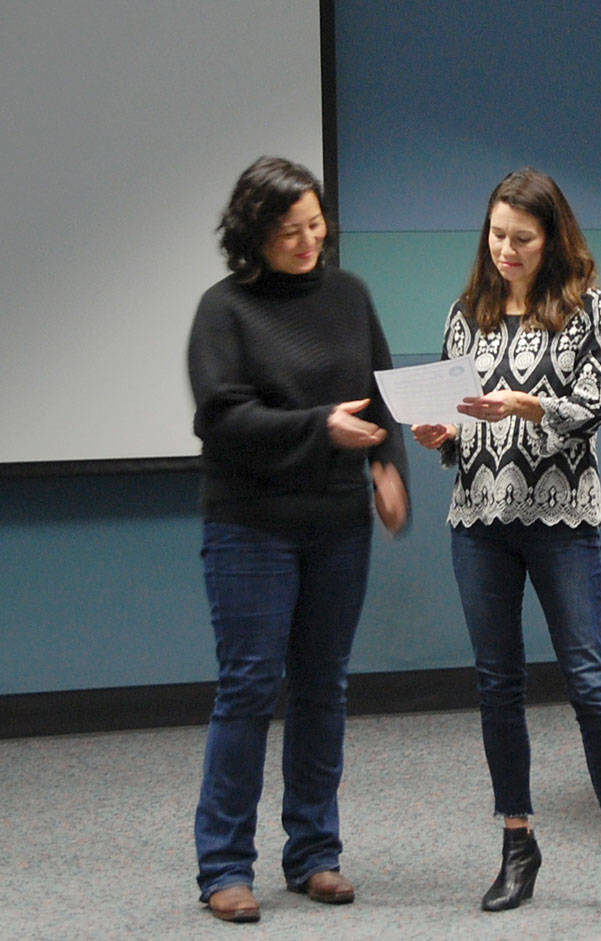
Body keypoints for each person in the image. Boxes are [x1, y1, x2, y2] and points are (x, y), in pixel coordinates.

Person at [411, 168, 601, 920]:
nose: (506, 249)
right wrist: (442, 435)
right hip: (480, 519)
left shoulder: (588, 307)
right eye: (496, 235)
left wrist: (532, 404)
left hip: (561, 520)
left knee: (590, 683)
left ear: (552, 237)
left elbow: (594, 408)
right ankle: (518, 843)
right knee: (498, 684)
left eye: (522, 237)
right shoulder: (468, 313)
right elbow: (458, 419)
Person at [187, 156, 409, 923]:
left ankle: (314, 851)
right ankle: (223, 865)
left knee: (324, 686)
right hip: (250, 524)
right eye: (289, 231)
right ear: (255, 234)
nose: (309, 240)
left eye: (316, 225)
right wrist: (322, 428)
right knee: (249, 685)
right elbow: (223, 418)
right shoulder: (224, 309)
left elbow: (383, 394)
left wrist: (386, 465)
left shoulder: (350, 296)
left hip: (337, 523)